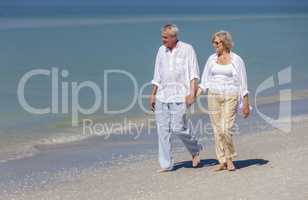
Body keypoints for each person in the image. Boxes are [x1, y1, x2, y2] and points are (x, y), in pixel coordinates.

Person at [149, 24, 203, 172]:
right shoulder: (161, 50)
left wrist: (192, 93)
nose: (163, 40)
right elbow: (157, 75)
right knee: (163, 131)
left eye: (165, 37)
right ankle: (166, 164)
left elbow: (194, 73)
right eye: (162, 37)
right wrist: (153, 94)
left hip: (180, 95)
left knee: (178, 128)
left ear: (174, 37)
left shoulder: (187, 49)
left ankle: (195, 149)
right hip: (162, 96)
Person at [198, 30, 250, 171]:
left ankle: (229, 158)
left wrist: (245, 103)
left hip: (231, 96)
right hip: (213, 95)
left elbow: (243, 83)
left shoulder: (236, 60)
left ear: (225, 42)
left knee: (226, 129)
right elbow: (204, 82)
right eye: (213, 43)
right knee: (217, 130)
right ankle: (222, 160)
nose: (214, 45)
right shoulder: (211, 59)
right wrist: (194, 95)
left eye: (216, 42)